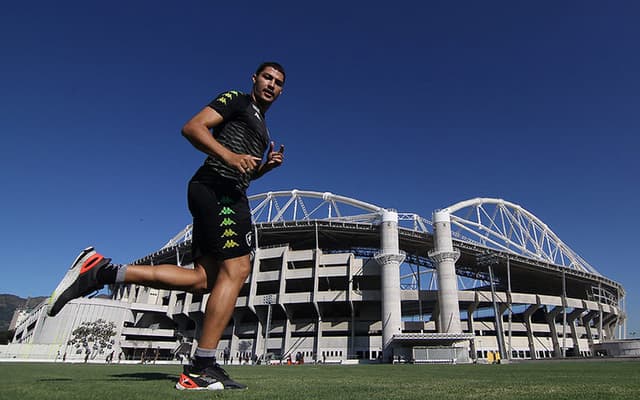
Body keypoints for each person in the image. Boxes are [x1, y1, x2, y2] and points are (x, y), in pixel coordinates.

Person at [46, 62, 287, 391]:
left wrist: (263, 170)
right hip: (218, 189)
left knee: (203, 280)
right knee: (238, 269)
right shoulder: (237, 100)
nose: (272, 85)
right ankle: (202, 367)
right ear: (254, 79)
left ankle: (101, 272)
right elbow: (193, 128)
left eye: (278, 82)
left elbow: (243, 170)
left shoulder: (262, 127)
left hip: (226, 190)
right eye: (267, 78)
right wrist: (229, 157)